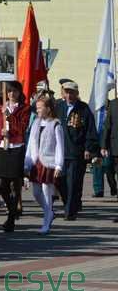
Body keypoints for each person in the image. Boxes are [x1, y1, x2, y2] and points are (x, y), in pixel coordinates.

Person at [54, 81, 98, 221]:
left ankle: (70, 212)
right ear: (63, 93)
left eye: (72, 92)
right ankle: (70, 204)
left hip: (76, 152)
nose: (69, 95)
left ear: (76, 93)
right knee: (60, 182)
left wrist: (88, 148)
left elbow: (90, 131)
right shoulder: (58, 107)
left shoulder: (83, 109)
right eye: (66, 92)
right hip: (60, 152)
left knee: (73, 183)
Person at [0, 81, 30, 232]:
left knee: (15, 183)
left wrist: (9, 118)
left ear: (19, 93)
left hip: (16, 146)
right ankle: (11, 209)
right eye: (9, 92)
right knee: (1, 184)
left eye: (14, 91)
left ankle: (11, 217)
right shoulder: (1, 108)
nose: (11, 94)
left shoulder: (25, 108)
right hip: (3, 147)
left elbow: (22, 127)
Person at [24, 95, 64, 234]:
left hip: (49, 162)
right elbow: (31, 144)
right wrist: (27, 161)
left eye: (40, 107)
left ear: (48, 108)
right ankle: (49, 212)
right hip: (36, 161)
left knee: (47, 193)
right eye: (37, 108)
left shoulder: (56, 124)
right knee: (36, 193)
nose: (38, 110)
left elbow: (60, 146)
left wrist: (59, 164)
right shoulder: (35, 123)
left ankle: (46, 221)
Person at [100, 95, 118, 212]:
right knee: (108, 169)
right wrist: (103, 146)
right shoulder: (113, 104)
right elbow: (107, 126)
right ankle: (113, 187)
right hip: (115, 147)